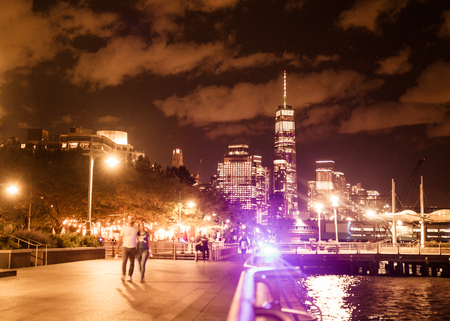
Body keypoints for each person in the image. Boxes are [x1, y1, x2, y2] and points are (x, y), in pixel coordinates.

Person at [116, 216, 139, 282]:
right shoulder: (124, 228)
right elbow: (120, 239)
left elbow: (142, 233)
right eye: (131, 218)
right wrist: (117, 248)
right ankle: (123, 274)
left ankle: (130, 275)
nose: (133, 220)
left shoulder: (136, 228)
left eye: (133, 218)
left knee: (132, 263)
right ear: (127, 220)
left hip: (133, 247)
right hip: (125, 247)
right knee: (124, 261)